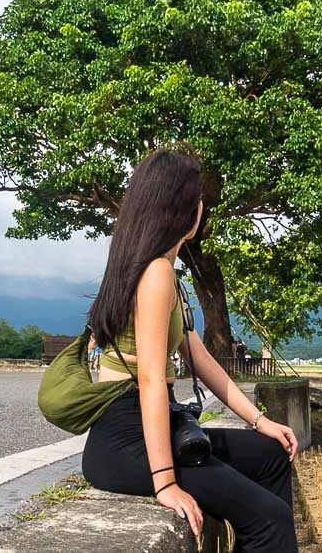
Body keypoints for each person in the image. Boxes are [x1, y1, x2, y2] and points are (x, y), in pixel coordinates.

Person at [81, 145, 300, 552]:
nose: (202, 207)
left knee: (272, 455)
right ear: (183, 210)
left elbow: (199, 356)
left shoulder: (159, 269)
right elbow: (149, 378)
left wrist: (259, 421)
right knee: (270, 519)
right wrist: (164, 480)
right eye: (198, 198)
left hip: (147, 430)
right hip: (126, 444)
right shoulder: (157, 272)